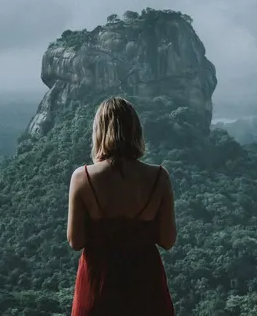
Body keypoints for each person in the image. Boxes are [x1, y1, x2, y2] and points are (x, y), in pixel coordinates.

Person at [67, 97, 176, 316]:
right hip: (146, 288)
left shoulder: (83, 178)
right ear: (135, 131)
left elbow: (76, 242)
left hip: (99, 285)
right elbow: (167, 240)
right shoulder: (159, 177)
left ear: (99, 132)